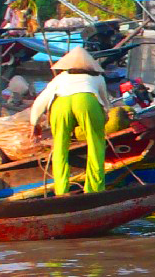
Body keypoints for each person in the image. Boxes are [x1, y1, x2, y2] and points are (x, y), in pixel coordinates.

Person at [29, 46, 111, 196]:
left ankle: (61, 191)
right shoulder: (97, 78)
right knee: (96, 144)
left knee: (60, 147)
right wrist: (104, 117)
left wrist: (35, 123)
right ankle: (94, 189)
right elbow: (105, 103)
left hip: (60, 104)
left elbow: (40, 101)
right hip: (87, 101)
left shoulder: (60, 78)